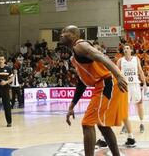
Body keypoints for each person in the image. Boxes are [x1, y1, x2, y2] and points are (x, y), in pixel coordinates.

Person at [61, 26, 128, 156]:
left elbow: (101, 56)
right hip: (105, 84)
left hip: (106, 83)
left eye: (66, 32)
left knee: (87, 123)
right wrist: (71, 106)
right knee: (101, 125)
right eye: (62, 32)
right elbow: (82, 83)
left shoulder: (80, 45)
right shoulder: (74, 56)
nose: (62, 34)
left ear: (75, 35)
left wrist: (119, 75)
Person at [117, 44, 147, 140]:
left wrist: (145, 83)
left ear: (131, 50)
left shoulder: (136, 59)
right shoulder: (120, 61)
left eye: (127, 48)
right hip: (125, 86)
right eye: (124, 48)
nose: (125, 49)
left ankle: (141, 123)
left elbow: (141, 71)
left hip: (135, 85)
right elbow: (116, 73)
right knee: (125, 106)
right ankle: (126, 125)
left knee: (139, 104)